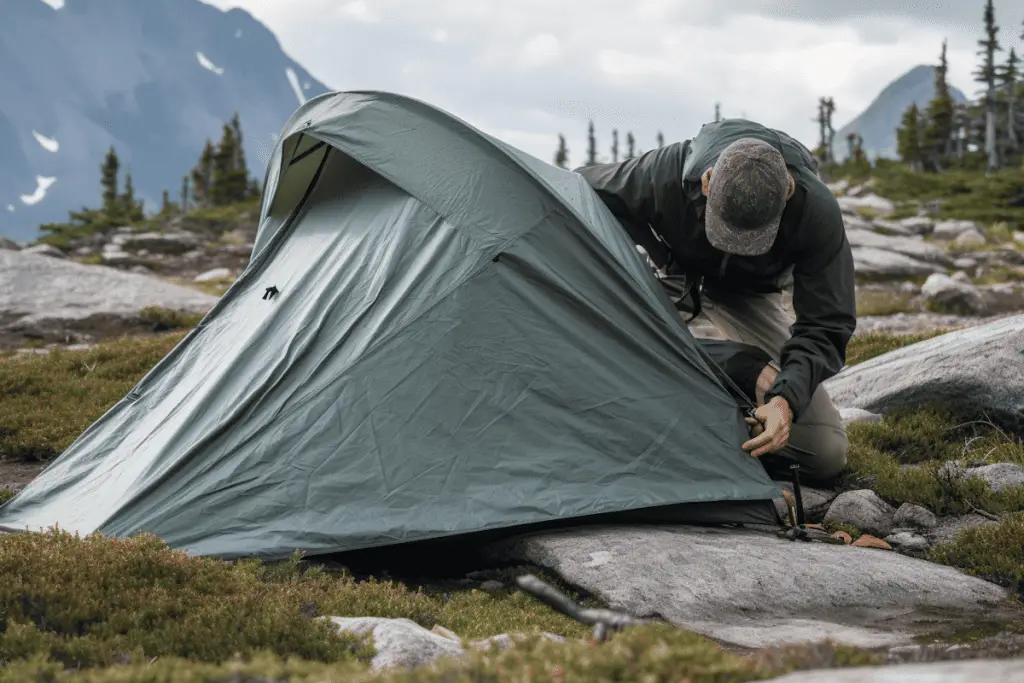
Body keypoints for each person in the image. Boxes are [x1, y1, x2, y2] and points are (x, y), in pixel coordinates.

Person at [575, 118, 856, 483]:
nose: (733, 245)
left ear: (786, 193)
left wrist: (785, 399)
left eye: (751, 239)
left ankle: (715, 423)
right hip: (668, 274)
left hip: (749, 295)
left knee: (824, 453)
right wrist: (641, 247)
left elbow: (826, 324)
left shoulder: (815, 212)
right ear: (706, 182)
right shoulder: (664, 173)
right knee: (604, 342)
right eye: (723, 229)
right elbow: (577, 188)